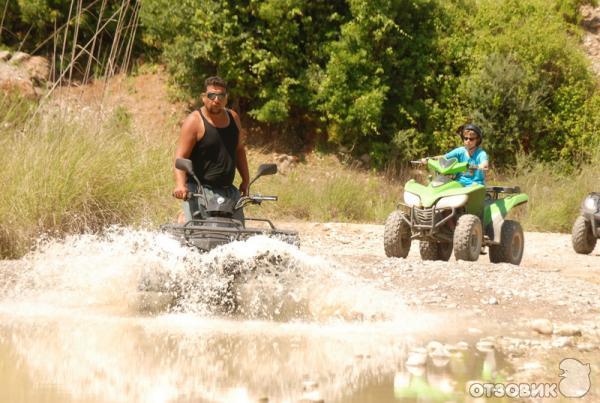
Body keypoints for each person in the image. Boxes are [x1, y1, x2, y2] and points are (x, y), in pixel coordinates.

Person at [172, 76, 250, 222]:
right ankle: (182, 220)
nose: (216, 99)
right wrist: (180, 185)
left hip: (229, 191)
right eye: (211, 95)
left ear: (226, 98)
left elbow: (239, 149)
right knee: (195, 234)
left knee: (238, 236)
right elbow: (180, 158)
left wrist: (246, 180)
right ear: (203, 97)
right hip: (199, 191)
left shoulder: (233, 118)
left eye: (221, 95)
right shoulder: (194, 122)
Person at [422, 123, 489, 186]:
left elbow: (485, 165)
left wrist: (472, 167)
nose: (468, 141)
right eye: (466, 138)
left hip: (475, 185)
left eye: (471, 139)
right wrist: (429, 159)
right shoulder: (460, 151)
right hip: (459, 184)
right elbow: (443, 157)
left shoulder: (481, 153)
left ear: (477, 140)